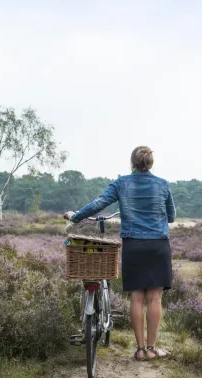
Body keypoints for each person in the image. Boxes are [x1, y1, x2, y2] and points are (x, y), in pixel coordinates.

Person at [64, 146, 176, 361]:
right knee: (155, 298)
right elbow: (171, 216)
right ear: (151, 163)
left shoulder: (121, 183)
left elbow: (98, 203)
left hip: (133, 244)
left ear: (132, 162)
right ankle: (152, 349)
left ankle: (140, 350)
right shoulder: (162, 184)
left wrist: (75, 216)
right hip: (158, 245)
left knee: (137, 297)